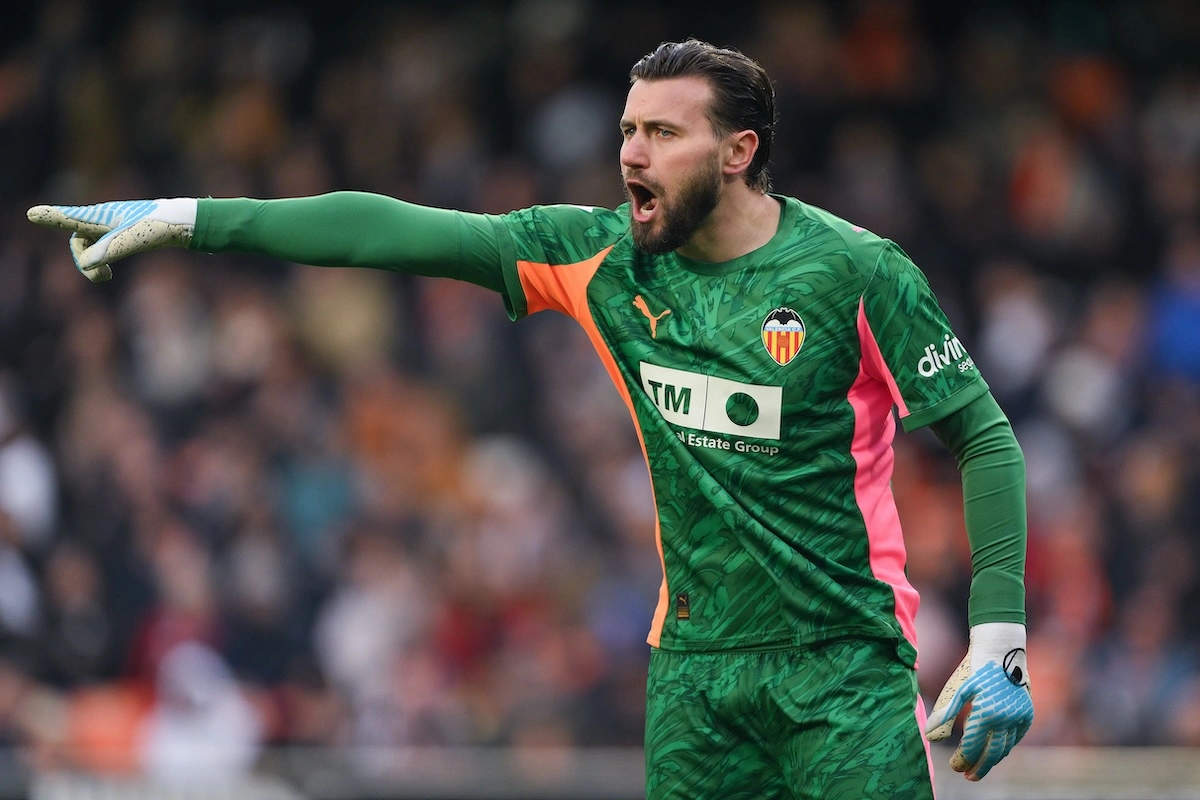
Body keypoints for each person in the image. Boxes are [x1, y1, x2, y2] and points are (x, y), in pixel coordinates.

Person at [28, 38, 1032, 799]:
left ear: (739, 152)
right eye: (628, 130)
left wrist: (997, 638)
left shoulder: (855, 271)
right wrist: (193, 217)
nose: (632, 153)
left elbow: (983, 435)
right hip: (694, 673)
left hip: (844, 664)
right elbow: (394, 230)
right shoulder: (598, 260)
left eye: (662, 133)